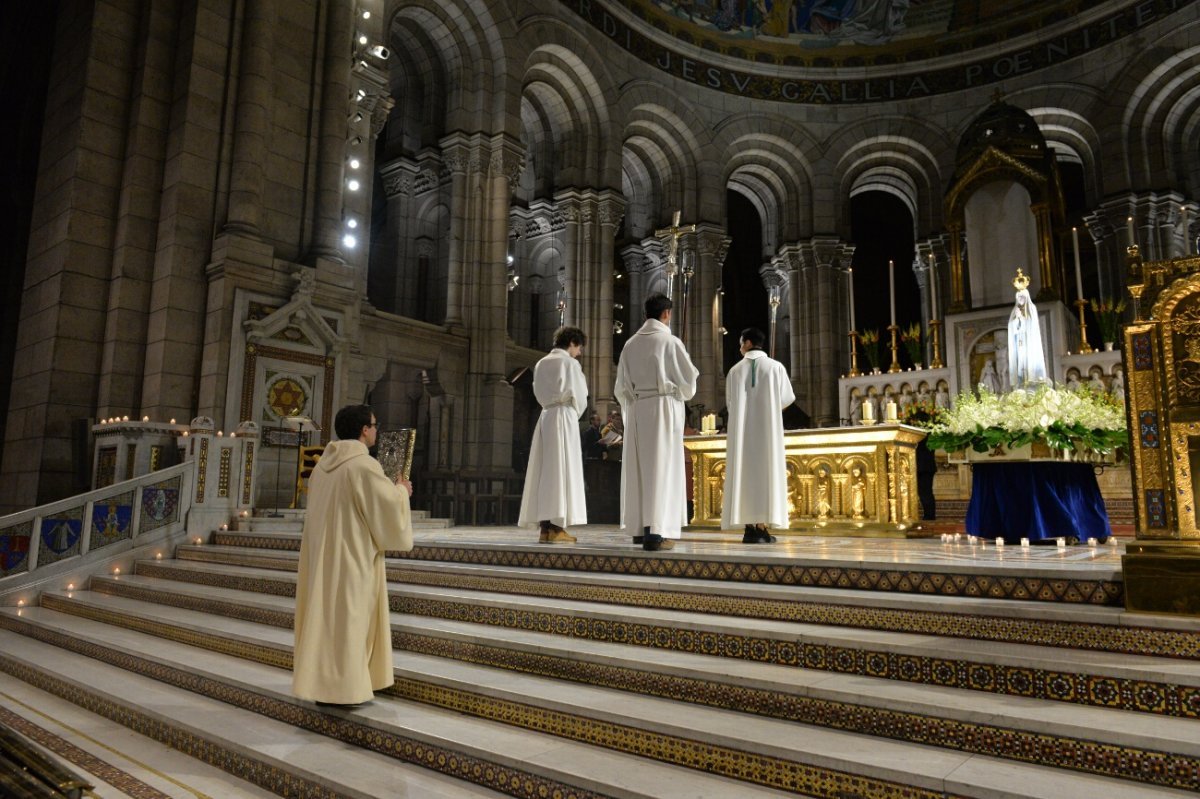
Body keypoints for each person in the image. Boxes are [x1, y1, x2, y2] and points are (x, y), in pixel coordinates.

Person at [293, 404, 413, 706]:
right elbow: (386, 511)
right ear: (364, 429)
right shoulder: (363, 466)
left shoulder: (322, 466)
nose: (376, 429)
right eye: (375, 424)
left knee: (328, 624)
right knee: (349, 624)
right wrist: (402, 492)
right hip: (352, 560)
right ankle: (344, 689)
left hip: (324, 557)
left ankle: (323, 685)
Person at [614, 293, 699, 551]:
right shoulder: (670, 342)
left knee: (641, 468)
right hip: (663, 407)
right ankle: (657, 531)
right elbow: (688, 383)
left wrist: (634, 406)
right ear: (667, 314)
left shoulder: (629, 344)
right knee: (662, 468)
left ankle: (641, 528)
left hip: (639, 407)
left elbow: (621, 387)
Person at [720, 327, 795, 543]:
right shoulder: (775, 367)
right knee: (766, 474)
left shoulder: (734, 371)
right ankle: (762, 528)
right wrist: (768, 409)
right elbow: (786, 399)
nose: (740, 347)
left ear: (749, 343)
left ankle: (749, 529)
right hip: (767, 433)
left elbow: (731, 404)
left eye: (741, 342)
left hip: (743, 434)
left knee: (744, 475)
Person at [518, 326, 589, 543]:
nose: (580, 353)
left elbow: (538, 392)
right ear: (572, 343)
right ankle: (557, 528)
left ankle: (545, 528)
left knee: (545, 471)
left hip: (546, 415)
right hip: (564, 417)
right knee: (562, 469)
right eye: (579, 348)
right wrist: (575, 411)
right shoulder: (569, 363)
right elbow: (581, 394)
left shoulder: (541, 363)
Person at [1007, 269, 1048, 391]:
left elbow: (1032, 325)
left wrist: (1022, 319)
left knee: (1028, 363)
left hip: (1028, 341)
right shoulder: (1015, 311)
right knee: (1020, 363)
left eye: (1022, 297)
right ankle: (1020, 383)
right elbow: (1011, 327)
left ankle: (1032, 382)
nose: (1020, 300)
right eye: (1018, 297)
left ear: (1026, 297)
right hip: (1019, 341)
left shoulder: (1031, 309)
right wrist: (1016, 320)